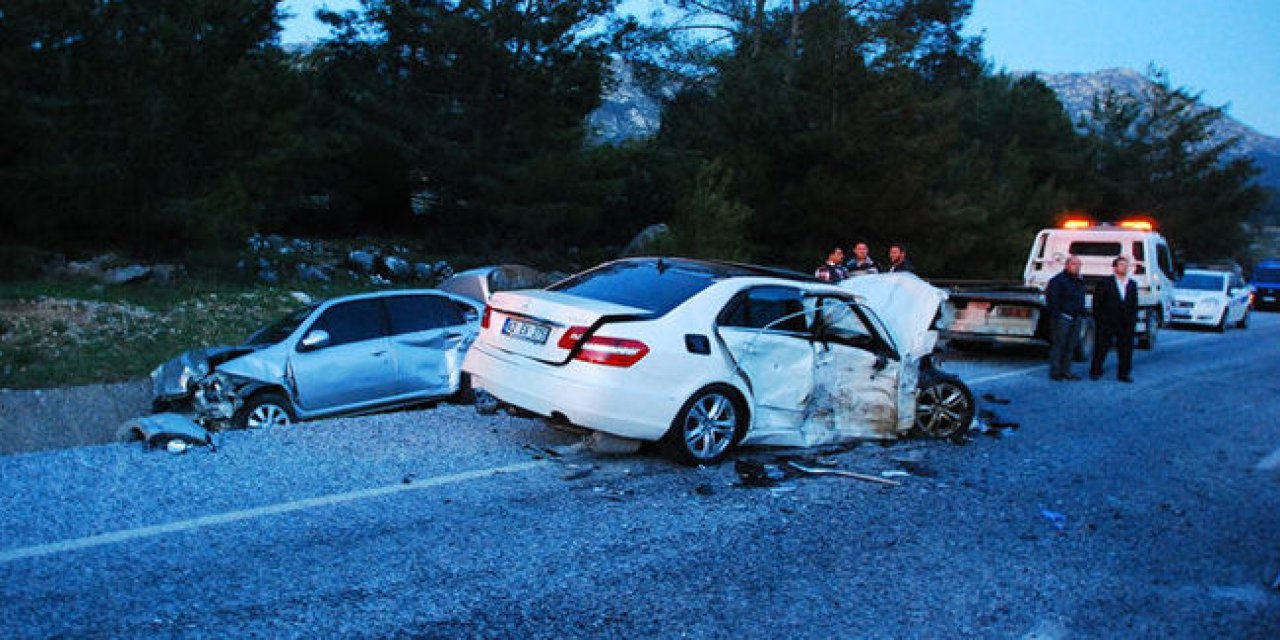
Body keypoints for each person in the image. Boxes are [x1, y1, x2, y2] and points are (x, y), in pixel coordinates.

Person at [1090, 256, 1139, 383]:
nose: (1124, 267)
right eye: (1121, 265)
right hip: (1107, 322)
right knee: (1101, 347)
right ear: (1115, 267)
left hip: (1126, 323)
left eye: (1126, 265)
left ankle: (1124, 374)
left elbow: (1134, 304)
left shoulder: (1132, 284)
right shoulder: (1105, 283)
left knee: (1126, 349)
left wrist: (1132, 320)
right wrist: (1100, 319)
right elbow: (1097, 303)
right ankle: (1095, 371)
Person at [1044, 255, 1087, 381]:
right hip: (1063, 318)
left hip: (1076, 317)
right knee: (1059, 345)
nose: (1077, 267)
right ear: (1067, 265)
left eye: (1079, 264)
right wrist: (1057, 316)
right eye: (1074, 264)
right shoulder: (1058, 280)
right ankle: (1055, 372)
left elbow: (1080, 298)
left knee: (1071, 346)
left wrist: (1081, 312)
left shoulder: (1079, 281)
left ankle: (1066, 371)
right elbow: (1052, 299)